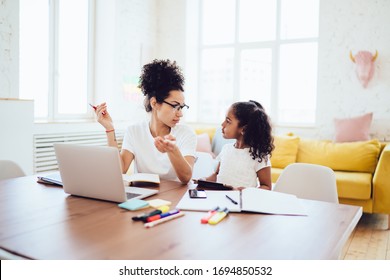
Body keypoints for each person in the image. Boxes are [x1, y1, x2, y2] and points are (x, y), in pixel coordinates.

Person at [94, 59, 197, 184]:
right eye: (175, 106)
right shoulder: (134, 131)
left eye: (181, 107)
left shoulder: (186, 133)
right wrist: (109, 128)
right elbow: (119, 171)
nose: (180, 113)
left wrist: (172, 150)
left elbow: (186, 177)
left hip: (176, 197)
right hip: (145, 196)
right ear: (154, 103)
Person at [204, 100, 274, 190]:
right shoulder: (226, 149)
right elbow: (216, 175)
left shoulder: (259, 155)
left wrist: (246, 191)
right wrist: (204, 180)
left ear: (244, 129)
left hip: (244, 202)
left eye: (228, 121)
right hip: (220, 198)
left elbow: (267, 186)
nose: (223, 124)